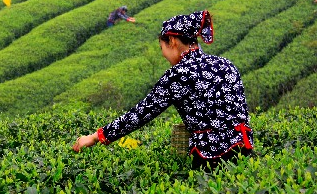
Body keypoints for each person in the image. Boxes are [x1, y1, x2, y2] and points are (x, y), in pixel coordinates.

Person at [73, 10, 254, 171]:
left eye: (162, 48)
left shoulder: (179, 74)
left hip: (211, 157)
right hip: (244, 150)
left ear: (173, 41)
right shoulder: (226, 64)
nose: (163, 55)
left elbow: (140, 114)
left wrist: (95, 137)